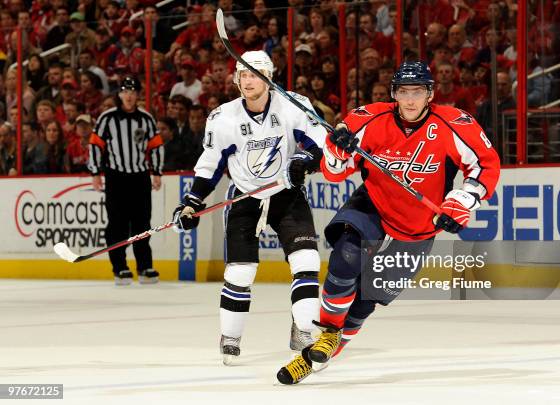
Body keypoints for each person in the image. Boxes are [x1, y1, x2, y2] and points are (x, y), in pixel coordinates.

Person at [276, 61, 501, 384]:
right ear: (394, 94)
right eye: (404, 92)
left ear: (430, 94)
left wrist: (462, 200)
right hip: (374, 203)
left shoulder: (454, 124)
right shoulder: (367, 118)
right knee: (346, 258)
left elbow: (485, 164)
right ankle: (326, 334)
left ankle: (318, 356)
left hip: (419, 222)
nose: (410, 100)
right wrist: (338, 153)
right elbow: (335, 171)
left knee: (369, 296)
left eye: (418, 92)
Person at [172, 51, 327, 365]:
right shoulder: (223, 117)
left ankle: (303, 329)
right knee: (241, 271)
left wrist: (304, 162)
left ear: (269, 77)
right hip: (244, 198)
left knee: (307, 259)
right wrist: (191, 202)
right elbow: (210, 166)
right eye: (243, 75)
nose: (248, 81)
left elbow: (319, 142)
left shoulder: (293, 105)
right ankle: (231, 335)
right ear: (236, 80)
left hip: (287, 194)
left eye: (254, 74)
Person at [88, 76, 164, 286]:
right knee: (117, 224)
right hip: (116, 177)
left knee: (142, 223)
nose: (129, 95)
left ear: (137, 94)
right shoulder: (107, 118)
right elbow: (95, 145)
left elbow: (156, 145)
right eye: (125, 91)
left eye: (132, 92)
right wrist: (95, 172)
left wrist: (156, 172)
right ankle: (119, 266)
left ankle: (144, 267)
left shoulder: (146, 119)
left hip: (140, 177)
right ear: (119, 94)